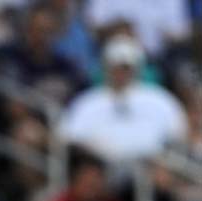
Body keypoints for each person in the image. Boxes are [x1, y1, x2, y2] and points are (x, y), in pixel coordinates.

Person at [58, 35, 187, 169]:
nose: (121, 73)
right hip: (101, 169)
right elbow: (70, 138)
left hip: (151, 169)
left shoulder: (159, 99)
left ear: (137, 68)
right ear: (106, 67)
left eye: (126, 67)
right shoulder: (87, 101)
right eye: (116, 67)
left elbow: (177, 137)